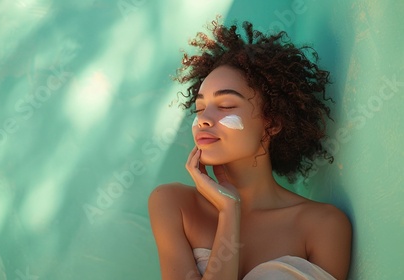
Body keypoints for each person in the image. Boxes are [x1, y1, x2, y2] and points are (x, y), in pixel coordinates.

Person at [148, 17, 352, 280]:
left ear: (274, 122)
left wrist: (231, 210)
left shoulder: (324, 226)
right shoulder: (173, 204)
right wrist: (229, 212)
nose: (204, 119)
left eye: (226, 106)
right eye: (200, 108)